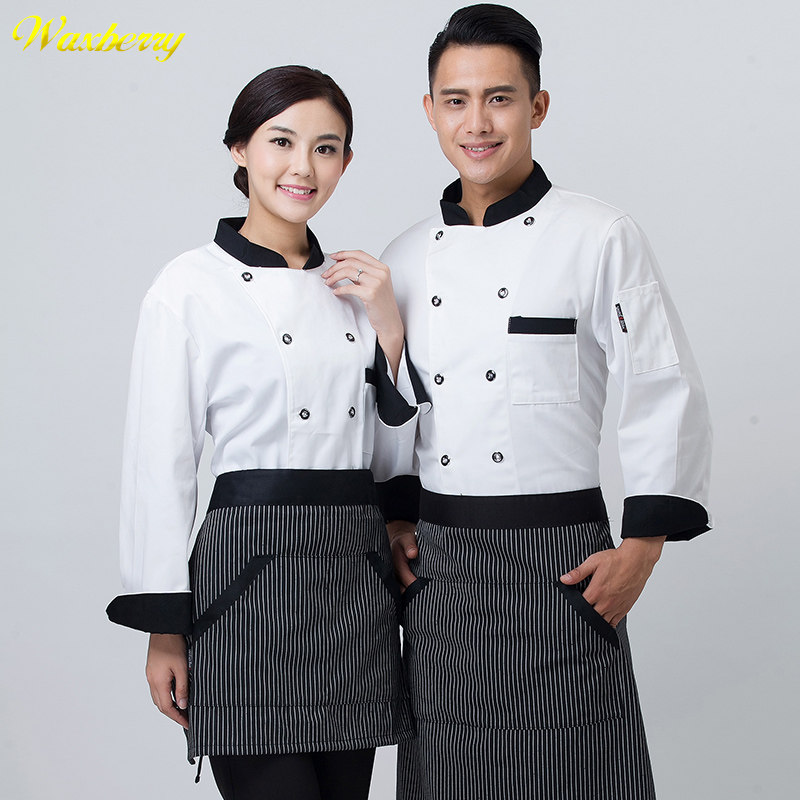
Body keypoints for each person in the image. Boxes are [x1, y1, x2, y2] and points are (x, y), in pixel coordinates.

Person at [379, 5, 713, 799]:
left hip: (561, 560)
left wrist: (643, 547)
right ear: (430, 111)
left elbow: (661, 380)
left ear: (538, 106)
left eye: (500, 98)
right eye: (456, 100)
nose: (477, 123)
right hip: (443, 569)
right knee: (451, 775)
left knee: (578, 773)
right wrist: (393, 518)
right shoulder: (403, 258)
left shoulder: (598, 235)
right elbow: (391, 406)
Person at [106, 65, 422, 800]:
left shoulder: (360, 289)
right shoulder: (189, 286)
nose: (302, 166)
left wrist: (389, 332)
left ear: (345, 162)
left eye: (326, 147)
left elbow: (387, 454)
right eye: (281, 141)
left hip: (352, 582)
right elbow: (160, 462)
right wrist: (164, 628)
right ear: (239, 149)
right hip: (245, 581)